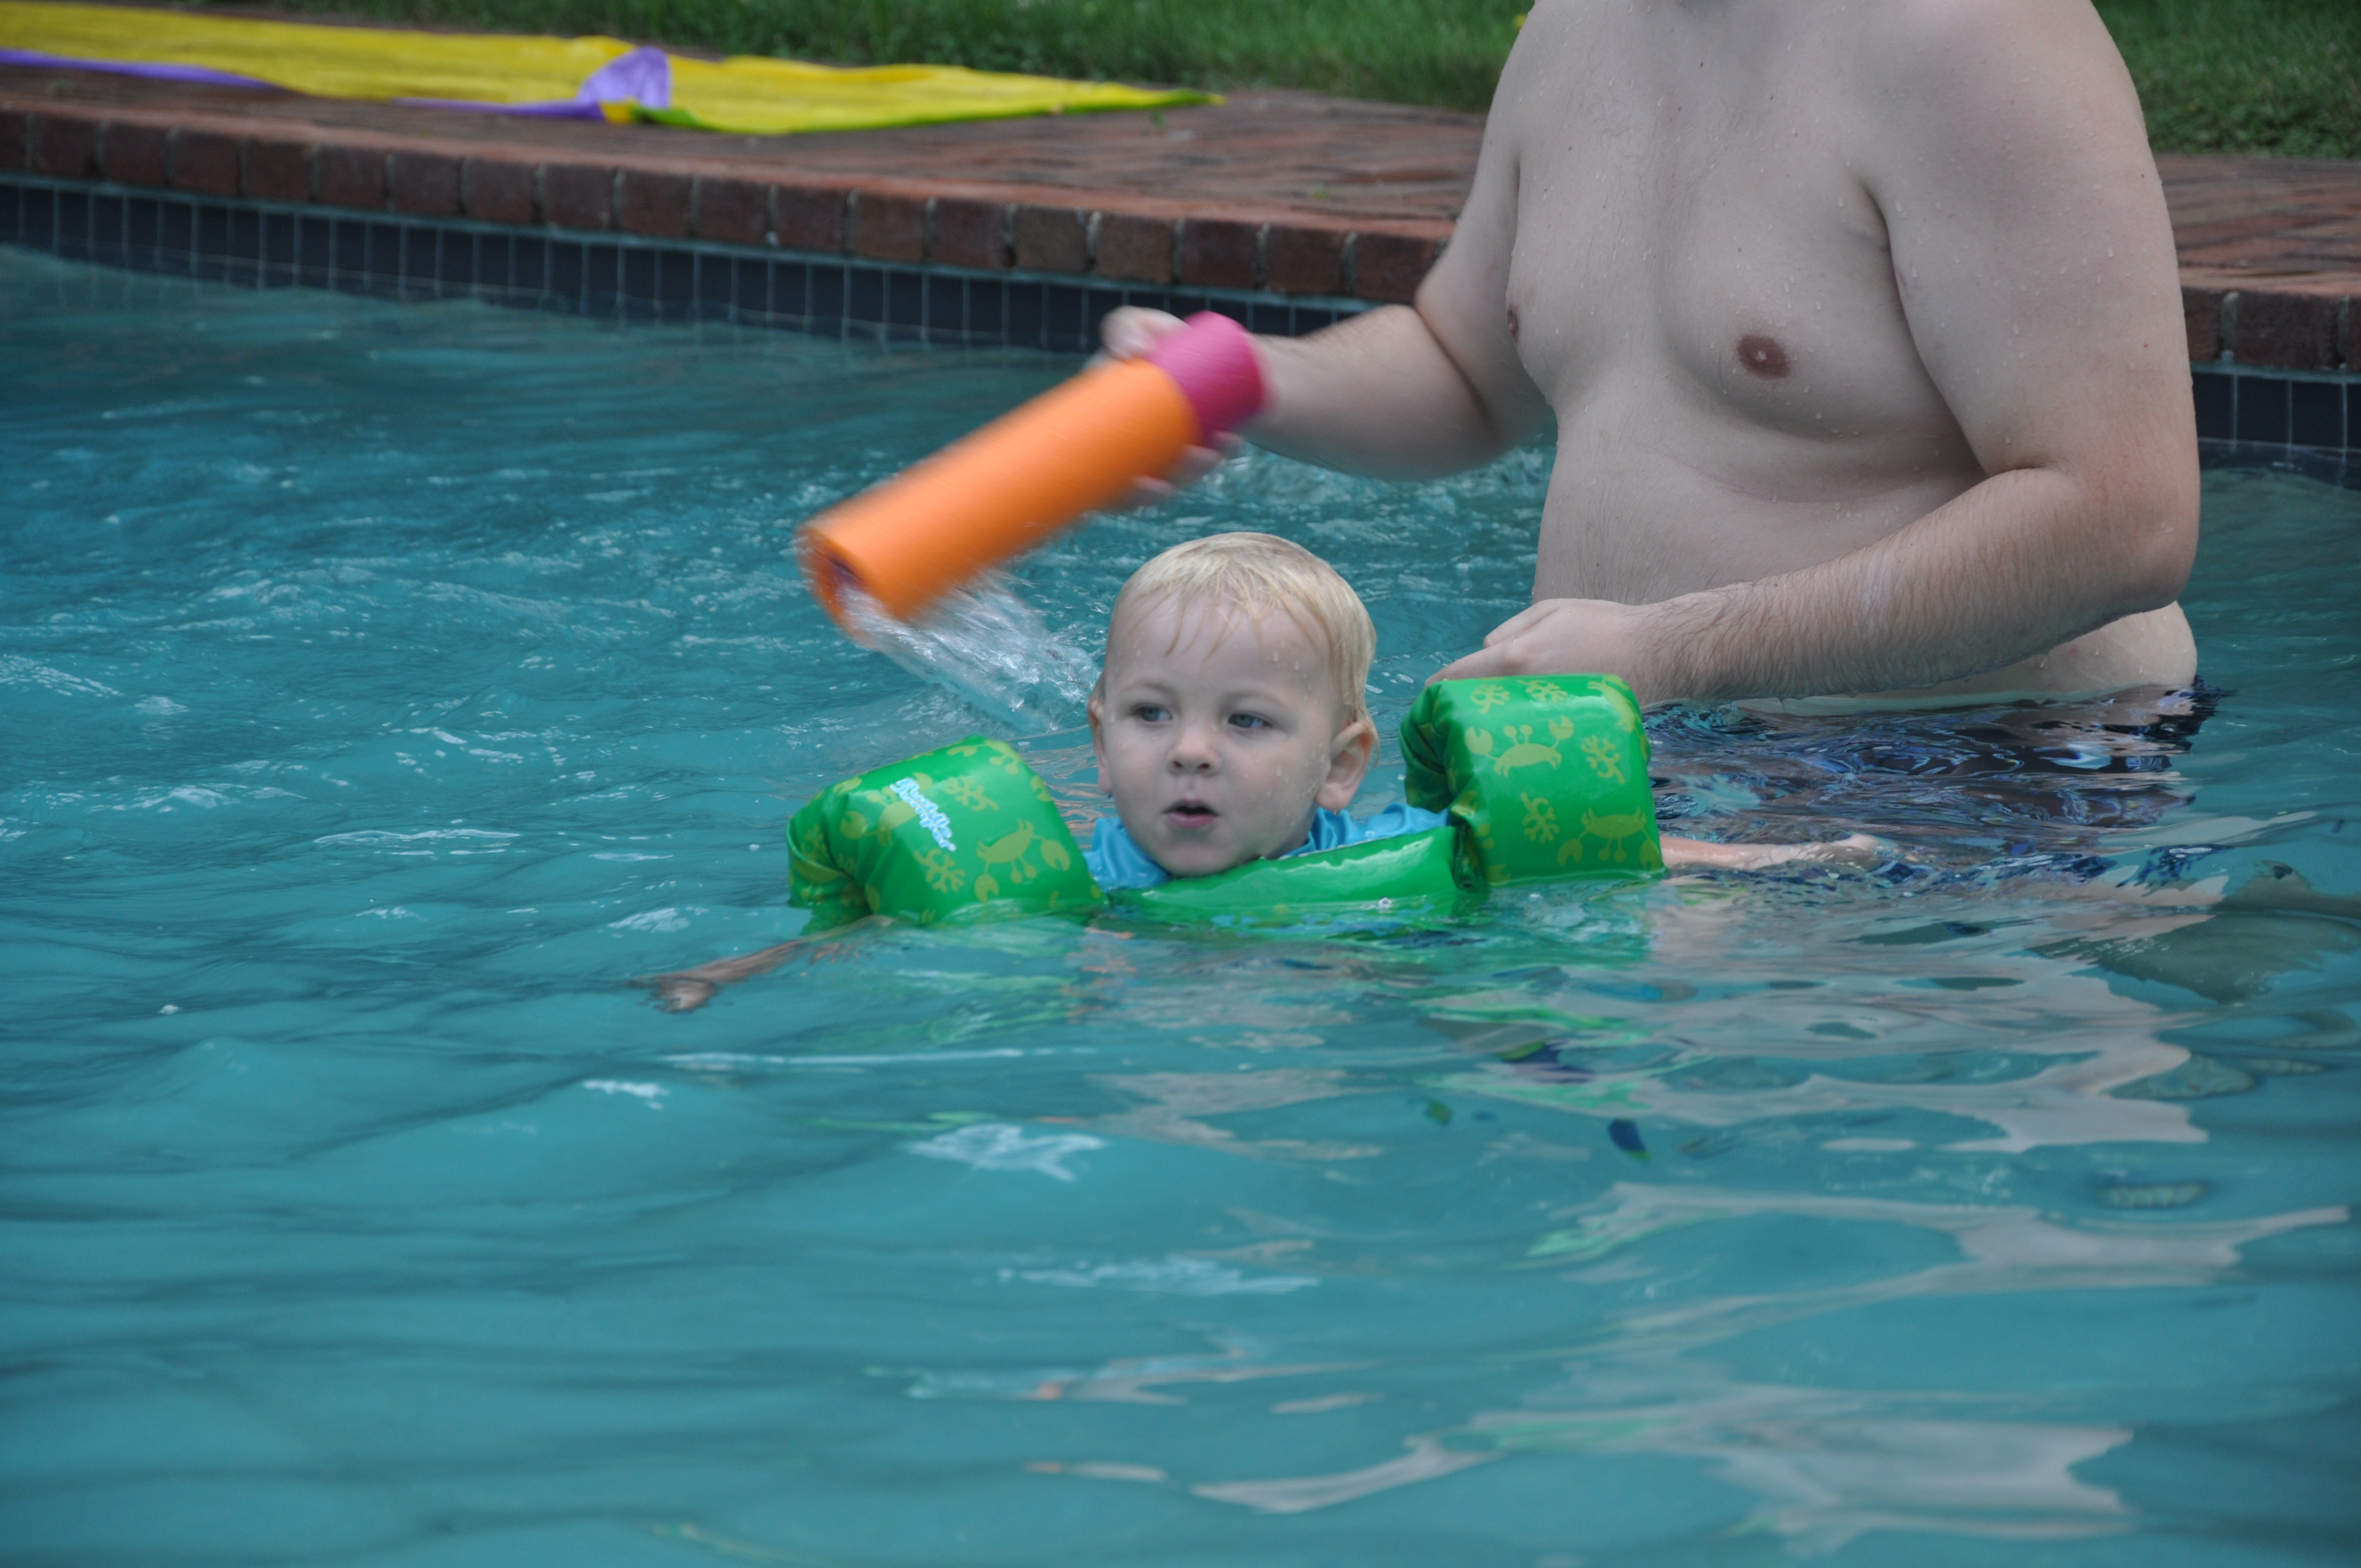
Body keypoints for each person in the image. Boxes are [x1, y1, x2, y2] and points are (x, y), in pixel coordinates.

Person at [1105, 0, 2199, 710]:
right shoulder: (1575, 29)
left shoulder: (1974, 35)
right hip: (1647, 766)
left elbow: (2124, 517)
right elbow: (1465, 369)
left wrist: (1676, 653)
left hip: (1982, 793)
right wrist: (1238, 380)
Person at [1082, 531, 1873, 887]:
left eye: (1246, 721)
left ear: (1340, 767)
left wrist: (1778, 863)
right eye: (1151, 714)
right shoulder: (1076, 882)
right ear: (1101, 745)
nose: (1190, 750)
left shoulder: (1405, 858)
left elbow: (1603, 856)